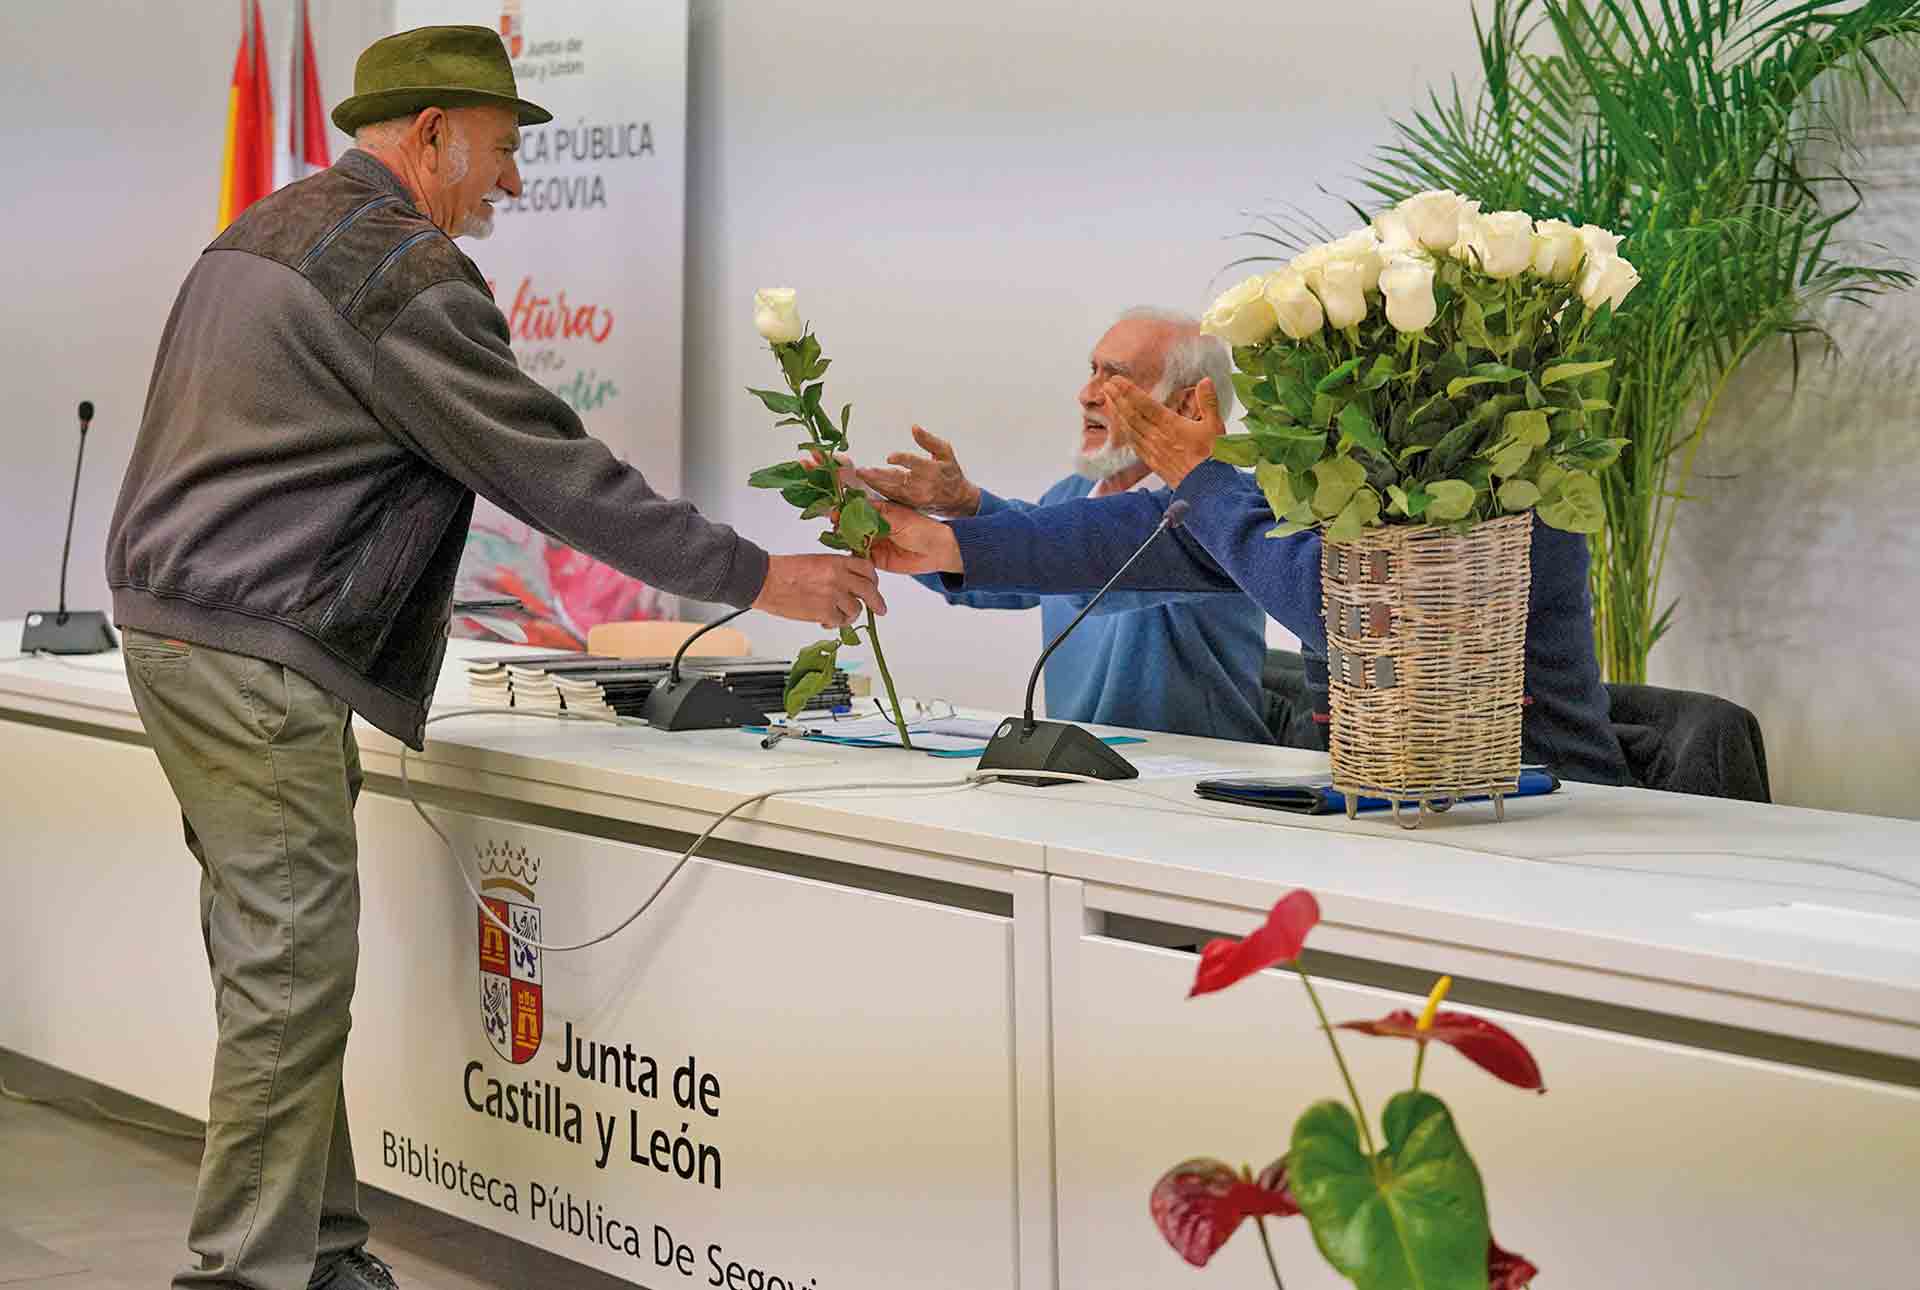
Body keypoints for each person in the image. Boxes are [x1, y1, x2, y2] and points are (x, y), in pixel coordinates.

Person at [103, 26, 883, 1290]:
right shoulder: (403, 272)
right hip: (255, 658)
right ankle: (245, 1274)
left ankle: (323, 1253)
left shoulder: (258, 230)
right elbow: (551, 470)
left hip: (181, 633)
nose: (511, 184)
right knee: (289, 979)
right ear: (432, 135)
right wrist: (763, 578)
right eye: (503, 149)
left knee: (274, 966)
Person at [867, 374, 1634, 785]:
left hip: (1553, 812)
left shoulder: (1509, 504)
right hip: (1385, 813)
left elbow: (1354, 618)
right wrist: (944, 542)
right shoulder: (1326, 488)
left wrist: (1203, 477)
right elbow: (1131, 535)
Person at [850, 309, 1272, 743]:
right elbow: (1004, 571)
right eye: (1093, 370)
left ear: (1184, 404)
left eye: (1116, 377)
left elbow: (1073, 556)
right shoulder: (1072, 495)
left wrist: (962, 512)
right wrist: (870, 513)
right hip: (1081, 772)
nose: (1087, 395)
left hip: (1201, 778)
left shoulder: (1216, 507)